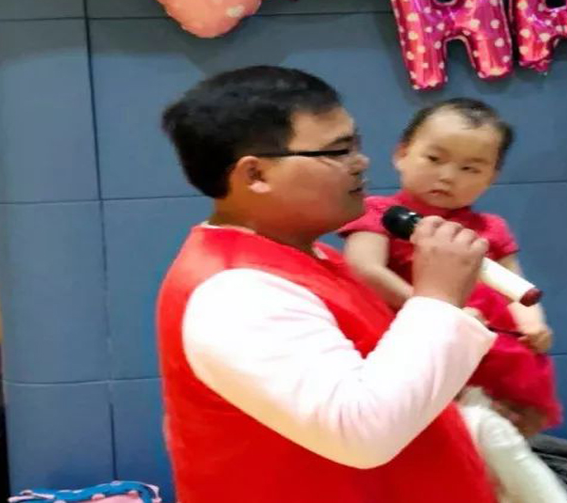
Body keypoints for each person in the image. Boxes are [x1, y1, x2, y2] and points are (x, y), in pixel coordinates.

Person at [156, 66, 501, 503]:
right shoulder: (235, 292)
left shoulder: (310, 257)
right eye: (338, 150)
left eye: (355, 144)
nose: (360, 161)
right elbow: (361, 433)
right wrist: (437, 301)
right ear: (255, 175)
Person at [341, 98, 567, 502]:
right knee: (485, 449)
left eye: (470, 168)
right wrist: (438, 307)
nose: (447, 176)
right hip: (420, 354)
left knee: (498, 453)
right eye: (434, 159)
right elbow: (364, 269)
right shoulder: (379, 214)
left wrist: (534, 323)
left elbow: (517, 288)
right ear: (401, 153)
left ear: (492, 177)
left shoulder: (489, 227)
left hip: (494, 354)